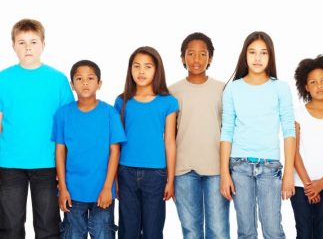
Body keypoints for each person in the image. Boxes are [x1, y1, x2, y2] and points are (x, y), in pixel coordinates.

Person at [0, 18, 74, 239]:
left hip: (48, 163)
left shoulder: (58, 79)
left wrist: (66, 166)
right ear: (13, 45)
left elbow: (68, 126)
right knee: (9, 226)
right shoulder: (3, 79)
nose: (28, 47)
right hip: (9, 163)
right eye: (21, 42)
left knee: (48, 226)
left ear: (43, 44)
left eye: (33, 41)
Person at [220, 31, 295, 239]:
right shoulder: (233, 89)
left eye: (263, 53)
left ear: (270, 57)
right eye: (252, 52)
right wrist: (224, 174)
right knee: (246, 232)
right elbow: (226, 132)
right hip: (239, 166)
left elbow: (289, 131)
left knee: (273, 231)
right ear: (245, 55)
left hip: (270, 168)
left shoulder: (280, 88)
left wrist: (289, 173)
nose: (257, 58)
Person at [53, 60, 126, 238]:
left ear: (99, 83)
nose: (85, 82)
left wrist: (108, 187)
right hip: (73, 192)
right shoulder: (63, 114)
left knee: (103, 234)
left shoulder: (110, 113)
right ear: (72, 85)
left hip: (102, 191)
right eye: (79, 78)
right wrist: (62, 188)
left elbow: (115, 151)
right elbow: (60, 151)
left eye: (90, 78)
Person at [169, 32, 230, 239]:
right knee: (191, 230)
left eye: (202, 54)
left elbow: (229, 131)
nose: (196, 60)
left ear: (210, 58)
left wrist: (228, 169)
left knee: (219, 230)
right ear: (182, 58)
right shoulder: (172, 91)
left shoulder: (222, 89)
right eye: (191, 54)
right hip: (183, 169)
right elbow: (169, 136)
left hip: (217, 169)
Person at [115, 46, 178, 239]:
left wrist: (171, 179)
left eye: (147, 66)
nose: (141, 71)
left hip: (156, 174)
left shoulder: (168, 102)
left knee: (153, 230)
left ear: (157, 70)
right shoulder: (122, 101)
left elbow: (170, 141)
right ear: (130, 69)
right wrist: (115, 178)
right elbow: (115, 143)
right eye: (137, 66)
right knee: (128, 230)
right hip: (126, 171)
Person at [291, 55, 323, 239]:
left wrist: (320, 184)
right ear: (305, 86)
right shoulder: (297, 114)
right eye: (313, 82)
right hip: (300, 185)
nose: (319, 86)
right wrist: (308, 185)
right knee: (304, 233)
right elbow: (294, 152)